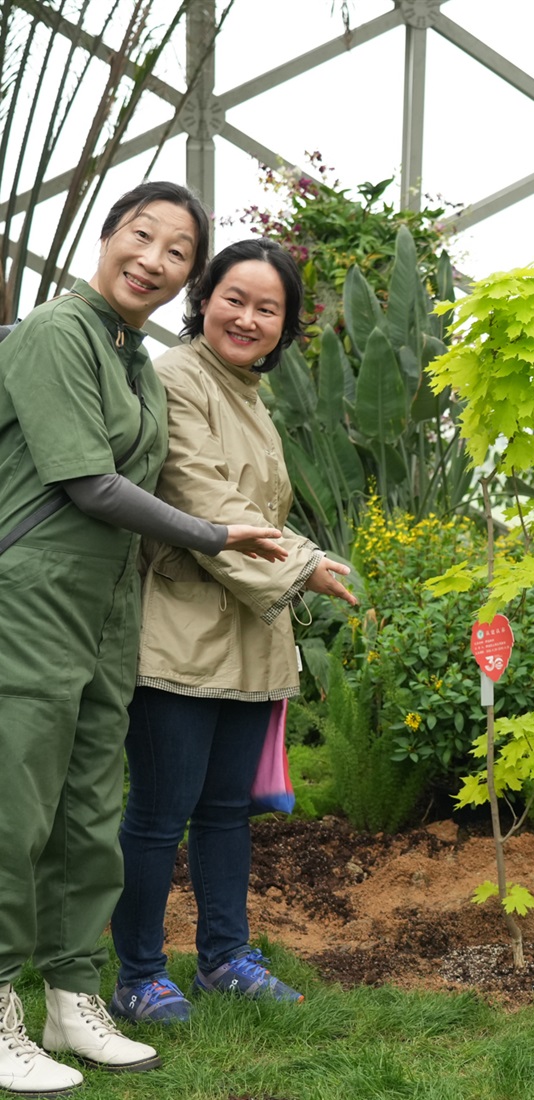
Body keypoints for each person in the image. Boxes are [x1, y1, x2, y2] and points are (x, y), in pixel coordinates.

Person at [0, 182, 288, 1097]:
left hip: (107, 605)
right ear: (109, 235)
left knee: (88, 813)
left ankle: (72, 996)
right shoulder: (56, 332)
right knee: (15, 809)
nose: (153, 260)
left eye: (176, 251)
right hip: (30, 597)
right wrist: (213, 534)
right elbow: (87, 481)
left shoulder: (131, 358)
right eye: (142, 235)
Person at [108, 237, 358, 1027]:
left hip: (247, 635)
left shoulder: (249, 392)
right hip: (179, 634)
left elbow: (254, 508)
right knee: (159, 814)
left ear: (285, 327)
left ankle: (225, 958)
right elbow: (200, 495)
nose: (248, 319)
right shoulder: (175, 377)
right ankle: (138, 974)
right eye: (235, 299)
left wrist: (302, 560)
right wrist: (306, 564)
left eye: (268, 309)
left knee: (224, 811)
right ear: (204, 299)